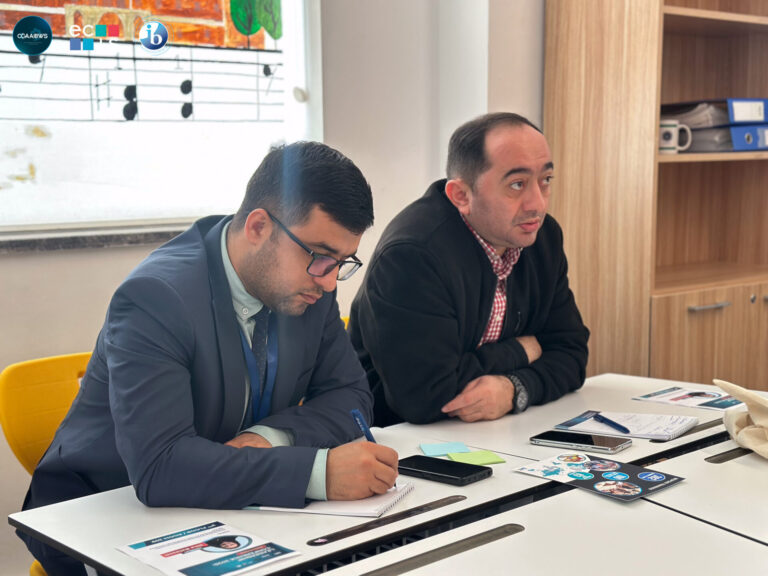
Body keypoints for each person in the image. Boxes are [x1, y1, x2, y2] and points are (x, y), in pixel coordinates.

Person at [19, 142, 399, 576]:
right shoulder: (155, 298)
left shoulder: (309, 288)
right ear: (258, 227)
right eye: (320, 257)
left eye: (342, 262)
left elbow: (350, 396)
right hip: (105, 514)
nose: (330, 282)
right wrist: (317, 473)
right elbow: (162, 468)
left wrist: (270, 437)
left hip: (226, 504)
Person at [349, 112, 589, 426]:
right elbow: (425, 396)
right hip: (399, 439)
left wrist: (515, 388)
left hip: (498, 430)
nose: (538, 204)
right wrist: (521, 350)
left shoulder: (543, 237)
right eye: (517, 184)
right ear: (461, 195)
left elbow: (572, 354)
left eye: (545, 181)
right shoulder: (412, 256)